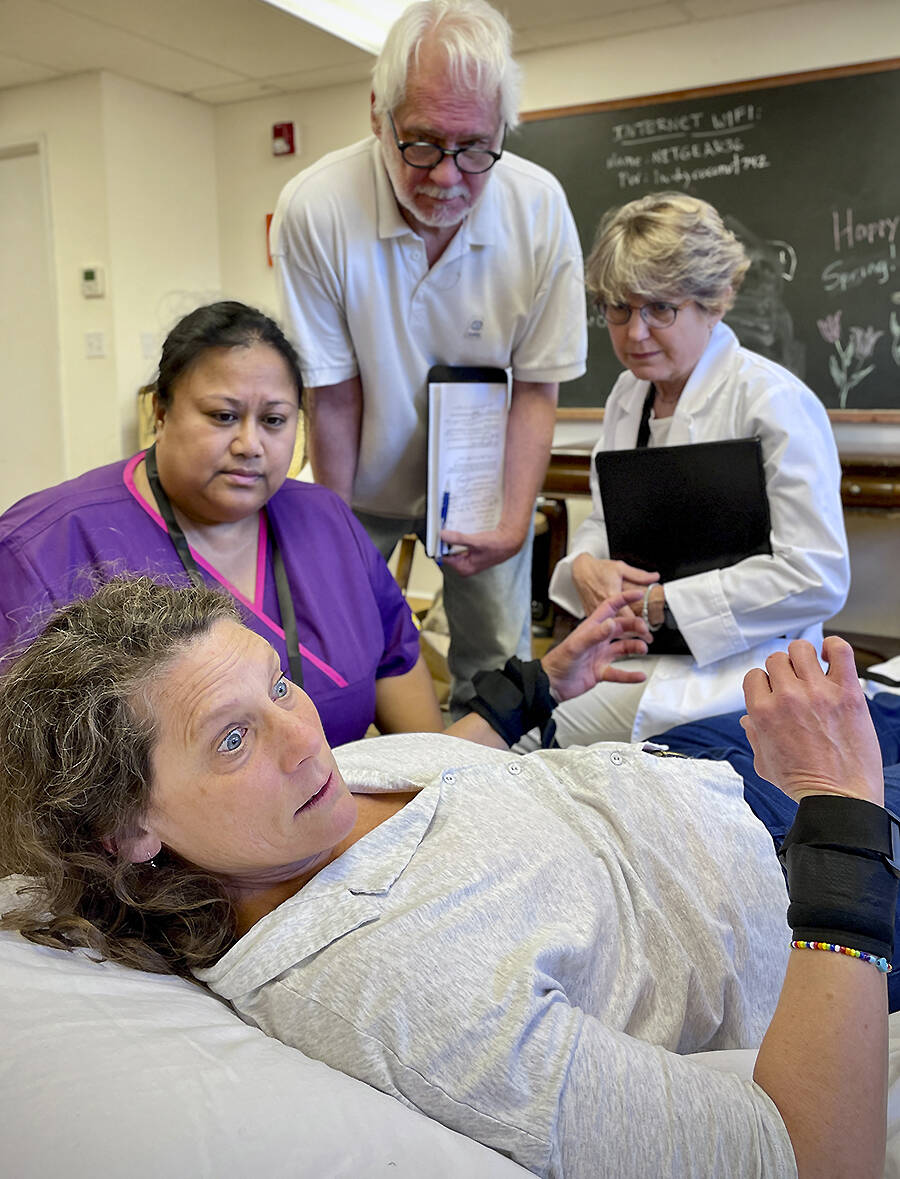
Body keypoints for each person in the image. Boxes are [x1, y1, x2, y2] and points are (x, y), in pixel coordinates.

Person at [0, 577, 894, 1179]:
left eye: (278, 684)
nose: (304, 737)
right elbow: (805, 1153)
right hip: (800, 865)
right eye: (232, 738)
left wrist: (539, 683)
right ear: (125, 831)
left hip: (712, 764)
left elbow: (441, 788)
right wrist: (842, 807)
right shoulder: (402, 992)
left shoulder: (287, 815)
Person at [270, 0, 587, 716]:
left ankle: (493, 799)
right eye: (421, 143)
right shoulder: (316, 208)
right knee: (331, 643)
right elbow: (335, 391)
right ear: (377, 115)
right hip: (365, 476)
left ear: (503, 129)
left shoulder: (538, 209)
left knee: (496, 662)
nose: (447, 177)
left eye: (475, 148)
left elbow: (537, 387)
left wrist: (512, 522)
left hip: (482, 483)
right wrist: (337, 528)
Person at [0, 300, 441, 747]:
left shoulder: (328, 521)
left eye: (273, 421)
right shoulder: (44, 548)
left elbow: (396, 670)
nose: (250, 445)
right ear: (160, 411)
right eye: (223, 416)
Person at [548, 192, 850, 743]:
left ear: (714, 301)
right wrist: (584, 566)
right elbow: (603, 523)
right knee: (525, 746)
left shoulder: (773, 400)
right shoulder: (627, 395)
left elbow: (816, 576)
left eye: (660, 308)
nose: (635, 332)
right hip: (638, 661)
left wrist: (662, 604)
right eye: (619, 307)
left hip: (748, 674)